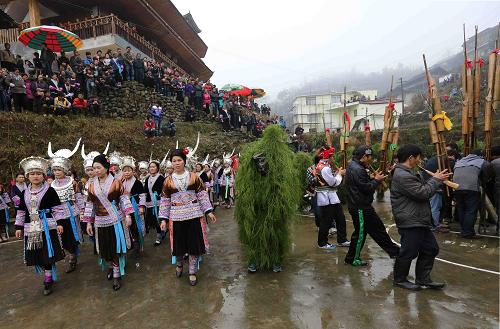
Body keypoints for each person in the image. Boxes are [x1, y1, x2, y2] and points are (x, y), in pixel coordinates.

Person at [235, 125, 300, 273]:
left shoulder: (282, 160)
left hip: (276, 206)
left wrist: (281, 200)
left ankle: (276, 260)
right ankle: (254, 261)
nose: (261, 167)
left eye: (264, 164)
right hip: (257, 207)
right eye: (259, 163)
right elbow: (244, 184)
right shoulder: (252, 173)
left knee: (276, 235)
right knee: (255, 234)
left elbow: (289, 183)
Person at [391, 144, 450, 290]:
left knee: (431, 249)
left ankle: (423, 279)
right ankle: (399, 279)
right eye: (419, 158)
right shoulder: (402, 175)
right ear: (411, 158)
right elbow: (422, 193)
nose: (420, 160)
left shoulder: (409, 172)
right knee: (408, 251)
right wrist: (436, 179)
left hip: (419, 219)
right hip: (410, 220)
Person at [158, 148, 216, 286]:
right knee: (179, 243)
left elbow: (202, 195)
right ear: (171, 163)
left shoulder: (194, 177)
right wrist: (163, 219)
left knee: (193, 244)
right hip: (176, 216)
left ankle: (192, 271)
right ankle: (179, 264)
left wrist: (209, 211)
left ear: (184, 161)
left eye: (179, 160)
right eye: (174, 161)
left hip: (194, 214)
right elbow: (165, 201)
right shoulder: (167, 181)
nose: (177, 163)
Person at [15, 156, 65, 295]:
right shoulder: (25, 192)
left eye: (38, 173)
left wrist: (60, 223)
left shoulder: (50, 190)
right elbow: (21, 211)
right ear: (27, 176)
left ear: (43, 175)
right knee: (36, 254)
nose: (35, 176)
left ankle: (48, 278)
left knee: (46, 253)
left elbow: (57, 208)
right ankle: (48, 272)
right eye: (32, 174)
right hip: (31, 228)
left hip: (47, 228)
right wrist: (18, 227)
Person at [82, 154, 133, 291]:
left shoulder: (116, 182)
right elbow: (90, 205)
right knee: (105, 247)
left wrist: (128, 214)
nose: (96, 170)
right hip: (100, 221)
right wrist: (88, 222)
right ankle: (111, 266)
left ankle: (117, 274)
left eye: (99, 167)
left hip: (115, 219)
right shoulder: (92, 186)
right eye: (94, 168)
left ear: (106, 167)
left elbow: (123, 199)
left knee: (115, 246)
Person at [344, 145, 400, 266]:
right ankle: (352, 258)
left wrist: (372, 178)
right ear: (364, 157)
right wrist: (377, 180)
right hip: (360, 207)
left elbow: (360, 184)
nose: (371, 159)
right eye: (369, 157)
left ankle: (394, 251)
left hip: (364, 206)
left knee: (378, 229)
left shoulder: (356, 166)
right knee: (360, 233)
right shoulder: (357, 169)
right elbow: (367, 188)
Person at [49, 148, 83, 273]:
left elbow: (78, 197)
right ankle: (71, 255)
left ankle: (73, 258)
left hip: (71, 212)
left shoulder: (72, 182)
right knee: (63, 237)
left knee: (72, 236)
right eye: (54, 170)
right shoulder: (51, 185)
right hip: (58, 215)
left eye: (59, 170)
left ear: (64, 170)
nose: (57, 172)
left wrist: (82, 211)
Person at [314, 146, 350, 250]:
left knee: (340, 218)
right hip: (327, 199)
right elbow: (333, 183)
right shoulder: (324, 168)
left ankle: (342, 240)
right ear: (328, 157)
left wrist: (336, 173)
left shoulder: (324, 166)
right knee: (326, 221)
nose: (333, 159)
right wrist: (339, 174)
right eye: (332, 157)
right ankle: (322, 243)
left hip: (332, 198)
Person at [453, 150, 490, 238]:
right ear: (480, 155)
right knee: (471, 210)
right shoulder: (482, 161)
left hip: (457, 187)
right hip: (471, 188)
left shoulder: (459, 161)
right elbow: (487, 175)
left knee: (461, 209)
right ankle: (468, 233)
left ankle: (464, 230)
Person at [120, 156, 146, 260]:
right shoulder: (121, 183)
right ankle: (129, 242)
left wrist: (141, 206)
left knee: (136, 225)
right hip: (124, 207)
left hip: (135, 205)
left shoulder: (137, 182)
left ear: (132, 171)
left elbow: (142, 195)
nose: (126, 173)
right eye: (124, 171)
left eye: (128, 170)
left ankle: (137, 245)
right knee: (127, 225)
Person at [144, 159, 165, 246]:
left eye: (154, 167)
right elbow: (145, 189)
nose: (152, 168)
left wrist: (160, 194)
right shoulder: (147, 178)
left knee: (159, 219)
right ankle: (160, 231)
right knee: (154, 219)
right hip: (150, 202)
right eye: (150, 167)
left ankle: (159, 235)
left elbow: (164, 189)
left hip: (159, 202)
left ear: (157, 168)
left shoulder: (161, 178)